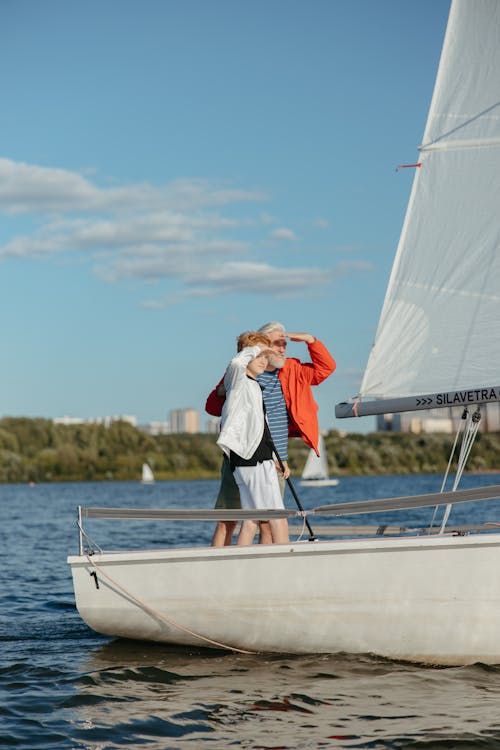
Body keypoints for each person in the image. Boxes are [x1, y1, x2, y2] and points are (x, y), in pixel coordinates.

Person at [207, 322, 336, 546]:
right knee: (229, 519)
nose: (282, 349)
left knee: (265, 521)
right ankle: (217, 565)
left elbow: (326, 368)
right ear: (261, 346)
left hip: (274, 458)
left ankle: (262, 567)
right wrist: (223, 391)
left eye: (284, 344)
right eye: (276, 343)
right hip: (242, 456)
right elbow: (212, 407)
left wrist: (309, 340)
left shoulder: (293, 370)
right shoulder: (243, 373)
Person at [216, 331, 290, 546]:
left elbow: (262, 428)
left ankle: (240, 563)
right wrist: (257, 348)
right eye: (259, 356)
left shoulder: (254, 385)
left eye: (266, 357)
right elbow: (237, 362)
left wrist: (276, 457)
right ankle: (288, 560)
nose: (263, 360)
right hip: (251, 457)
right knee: (277, 515)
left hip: (257, 456)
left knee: (251, 519)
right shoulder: (238, 380)